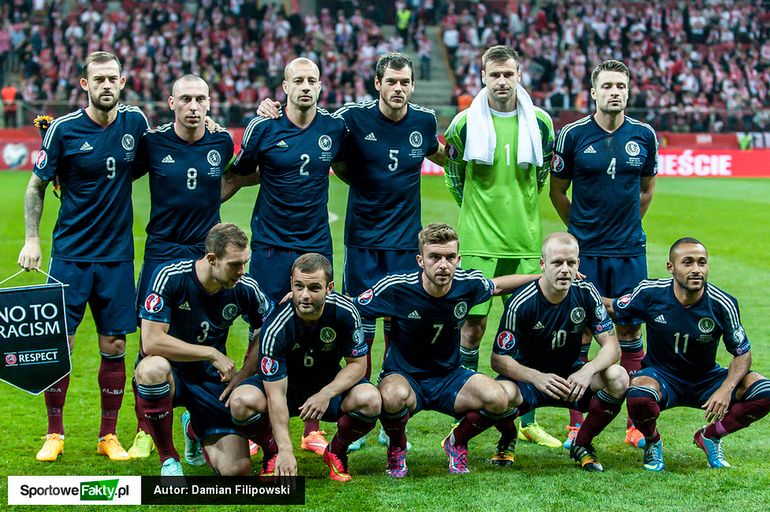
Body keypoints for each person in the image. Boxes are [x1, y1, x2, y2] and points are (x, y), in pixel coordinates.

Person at [258, 52, 445, 451]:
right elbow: (331, 153)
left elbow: (438, 153)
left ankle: (392, 417)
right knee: (360, 330)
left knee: (402, 332)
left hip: (404, 242)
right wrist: (270, 109)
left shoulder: (425, 121)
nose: (398, 88)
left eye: (404, 82)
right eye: (391, 81)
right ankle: (356, 409)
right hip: (362, 242)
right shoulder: (350, 119)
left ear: (412, 85)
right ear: (377, 83)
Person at [18, 51, 150, 462]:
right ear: (85, 85)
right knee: (62, 344)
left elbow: (165, 149)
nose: (107, 85)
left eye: (113, 78)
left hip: (116, 258)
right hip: (70, 255)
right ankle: (54, 433)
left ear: (123, 82)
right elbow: (36, 186)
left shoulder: (136, 123)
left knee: (113, 344)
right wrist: (31, 239)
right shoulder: (62, 129)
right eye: (99, 79)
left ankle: (107, 436)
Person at [227, 57, 349, 456]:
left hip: (315, 245)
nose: (306, 86)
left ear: (320, 85)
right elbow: (239, 171)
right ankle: (260, 417)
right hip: (269, 245)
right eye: (298, 80)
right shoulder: (263, 128)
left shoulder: (334, 127)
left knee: (313, 325)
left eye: (312, 80)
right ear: (284, 86)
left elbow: (353, 162)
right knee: (261, 326)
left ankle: (311, 426)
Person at [355, 223, 537, 477]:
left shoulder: (468, 284)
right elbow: (352, 308)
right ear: (420, 260)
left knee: (497, 398)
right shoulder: (396, 287)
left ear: (458, 259)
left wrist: (542, 277)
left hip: (449, 377)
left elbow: (498, 286)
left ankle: (457, 442)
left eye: (450, 257)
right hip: (405, 376)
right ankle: (397, 447)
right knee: (391, 397)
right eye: (435, 257)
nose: (443, 265)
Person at [443, 44, 558, 447]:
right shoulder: (463, 123)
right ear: (482, 77)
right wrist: (475, 210)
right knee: (471, 329)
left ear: (519, 74)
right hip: (477, 242)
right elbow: (454, 174)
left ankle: (527, 420)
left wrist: (519, 211)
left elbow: (541, 176)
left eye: (509, 74)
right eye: (495, 75)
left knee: (528, 333)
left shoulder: (541, 123)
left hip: (524, 243)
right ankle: (462, 413)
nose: (503, 81)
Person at [549, 59, 658, 449]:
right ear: (593, 92)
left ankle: (635, 421)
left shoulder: (644, 136)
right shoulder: (572, 135)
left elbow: (646, 190)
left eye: (622, 86)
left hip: (629, 250)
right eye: (608, 86)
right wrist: (580, 233)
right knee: (580, 328)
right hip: (587, 252)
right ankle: (576, 422)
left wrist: (628, 223)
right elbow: (557, 191)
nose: (616, 92)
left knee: (629, 329)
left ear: (629, 92)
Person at [128, 74, 235, 459]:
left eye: (200, 99)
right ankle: (146, 428)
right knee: (149, 346)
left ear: (210, 104)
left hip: (203, 255)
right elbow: (121, 174)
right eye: (185, 99)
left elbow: (236, 177)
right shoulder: (153, 143)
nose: (193, 106)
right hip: (162, 252)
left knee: (208, 332)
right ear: (171, 103)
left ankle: (196, 420)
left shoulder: (221, 142)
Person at [608, 238, 770, 471]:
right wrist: (574, 293)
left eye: (702, 263)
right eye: (688, 262)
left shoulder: (722, 303)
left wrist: (726, 389)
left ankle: (710, 436)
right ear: (670, 267)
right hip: (661, 376)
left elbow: (742, 353)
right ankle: (653, 442)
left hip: (706, 379)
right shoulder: (650, 292)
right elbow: (614, 307)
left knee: (764, 391)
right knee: (639, 393)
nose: (696, 269)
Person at [225, 253, 380, 481]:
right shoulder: (276, 326)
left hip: (326, 385)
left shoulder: (345, 311)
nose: (305, 295)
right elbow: (276, 395)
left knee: (371, 399)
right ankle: (273, 453)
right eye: (299, 286)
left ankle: (336, 451)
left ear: (329, 288)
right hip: (284, 388)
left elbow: (358, 365)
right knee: (240, 402)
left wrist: (325, 394)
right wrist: (286, 450)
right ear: (291, 285)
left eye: (314, 288)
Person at [134, 223, 272, 476]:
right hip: (170, 373)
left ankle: (193, 428)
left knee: (236, 471)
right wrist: (211, 353)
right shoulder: (171, 276)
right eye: (234, 264)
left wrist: (244, 374)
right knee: (152, 369)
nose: (242, 271)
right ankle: (169, 460)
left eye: (245, 262)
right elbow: (151, 342)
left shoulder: (244, 287)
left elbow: (267, 328)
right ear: (211, 259)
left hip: (211, 381)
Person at [490, 233, 628, 472]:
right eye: (557, 263)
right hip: (529, 382)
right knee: (495, 394)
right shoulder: (521, 301)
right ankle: (507, 439)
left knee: (618, 377)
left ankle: (583, 444)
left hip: (571, 380)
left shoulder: (586, 292)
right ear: (542, 264)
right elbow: (498, 359)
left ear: (578, 264)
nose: (565, 270)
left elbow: (612, 346)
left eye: (571, 263)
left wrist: (588, 370)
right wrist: (535, 377)